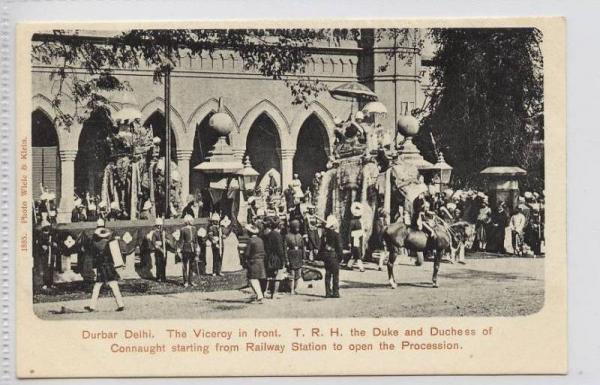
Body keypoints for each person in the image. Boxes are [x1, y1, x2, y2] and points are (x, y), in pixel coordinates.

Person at [84, 219, 125, 312]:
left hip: (101, 267)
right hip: (109, 266)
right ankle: (120, 304)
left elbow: (92, 254)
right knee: (114, 285)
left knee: (97, 286)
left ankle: (92, 306)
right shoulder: (110, 242)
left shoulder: (95, 243)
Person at [320, 215, 343, 298]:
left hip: (326, 256)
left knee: (328, 274)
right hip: (334, 256)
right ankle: (335, 292)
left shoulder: (324, 234)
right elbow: (339, 247)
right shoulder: (336, 235)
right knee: (335, 275)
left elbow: (322, 246)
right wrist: (341, 257)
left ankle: (327, 292)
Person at [242, 224, 267, 304]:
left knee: (252, 279)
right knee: (258, 278)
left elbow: (247, 253)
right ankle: (258, 295)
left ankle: (259, 295)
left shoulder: (250, 241)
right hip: (261, 261)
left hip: (253, 261)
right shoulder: (260, 240)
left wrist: (243, 256)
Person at [264, 219, 287, 298]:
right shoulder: (278, 235)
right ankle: (275, 293)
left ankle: (265, 291)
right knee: (278, 276)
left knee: (269, 276)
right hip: (276, 258)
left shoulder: (269, 234)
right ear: (279, 226)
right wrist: (283, 259)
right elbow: (280, 249)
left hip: (269, 257)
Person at [285, 219, 305, 295]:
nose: (297, 228)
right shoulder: (287, 236)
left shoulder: (300, 236)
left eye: (298, 227)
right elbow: (285, 248)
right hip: (291, 255)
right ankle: (291, 289)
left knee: (298, 274)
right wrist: (286, 260)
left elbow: (303, 247)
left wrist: (303, 257)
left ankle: (295, 288)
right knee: (292, 274)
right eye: (296, 227)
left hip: (299, 255)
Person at [345, 202, 365, 272]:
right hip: (355, 238)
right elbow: (349, 232)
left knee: (355, 253)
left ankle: (349, 265)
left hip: (359, 238)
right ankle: (361, 267)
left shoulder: (359, 221)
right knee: (358, 253)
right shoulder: (352, 222)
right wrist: (349, 242)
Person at [180, 215, 198, 287]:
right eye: (191, 220)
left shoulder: (194, 228)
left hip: (193, 248)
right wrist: (179, 248)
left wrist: (197, 247)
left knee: (192, 265)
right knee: (185, 265)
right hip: (185, 248)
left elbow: (196, 240)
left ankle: (191, 280)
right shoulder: (183, 229)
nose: (192, 221)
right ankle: (185, 281)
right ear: (188, 221)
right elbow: (181, 240)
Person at [151, 217, 167, 282]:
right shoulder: (154, 233)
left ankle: (163, 276)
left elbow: (167, 239)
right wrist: (160, 248)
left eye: (160, 225)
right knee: (158, 263)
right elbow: (153, 242)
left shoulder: (163, 232)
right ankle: (158, 277)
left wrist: (165, 240)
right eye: (158, 226)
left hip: (164, 249)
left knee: (164, 263)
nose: (159, 227)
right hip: (158, 251)